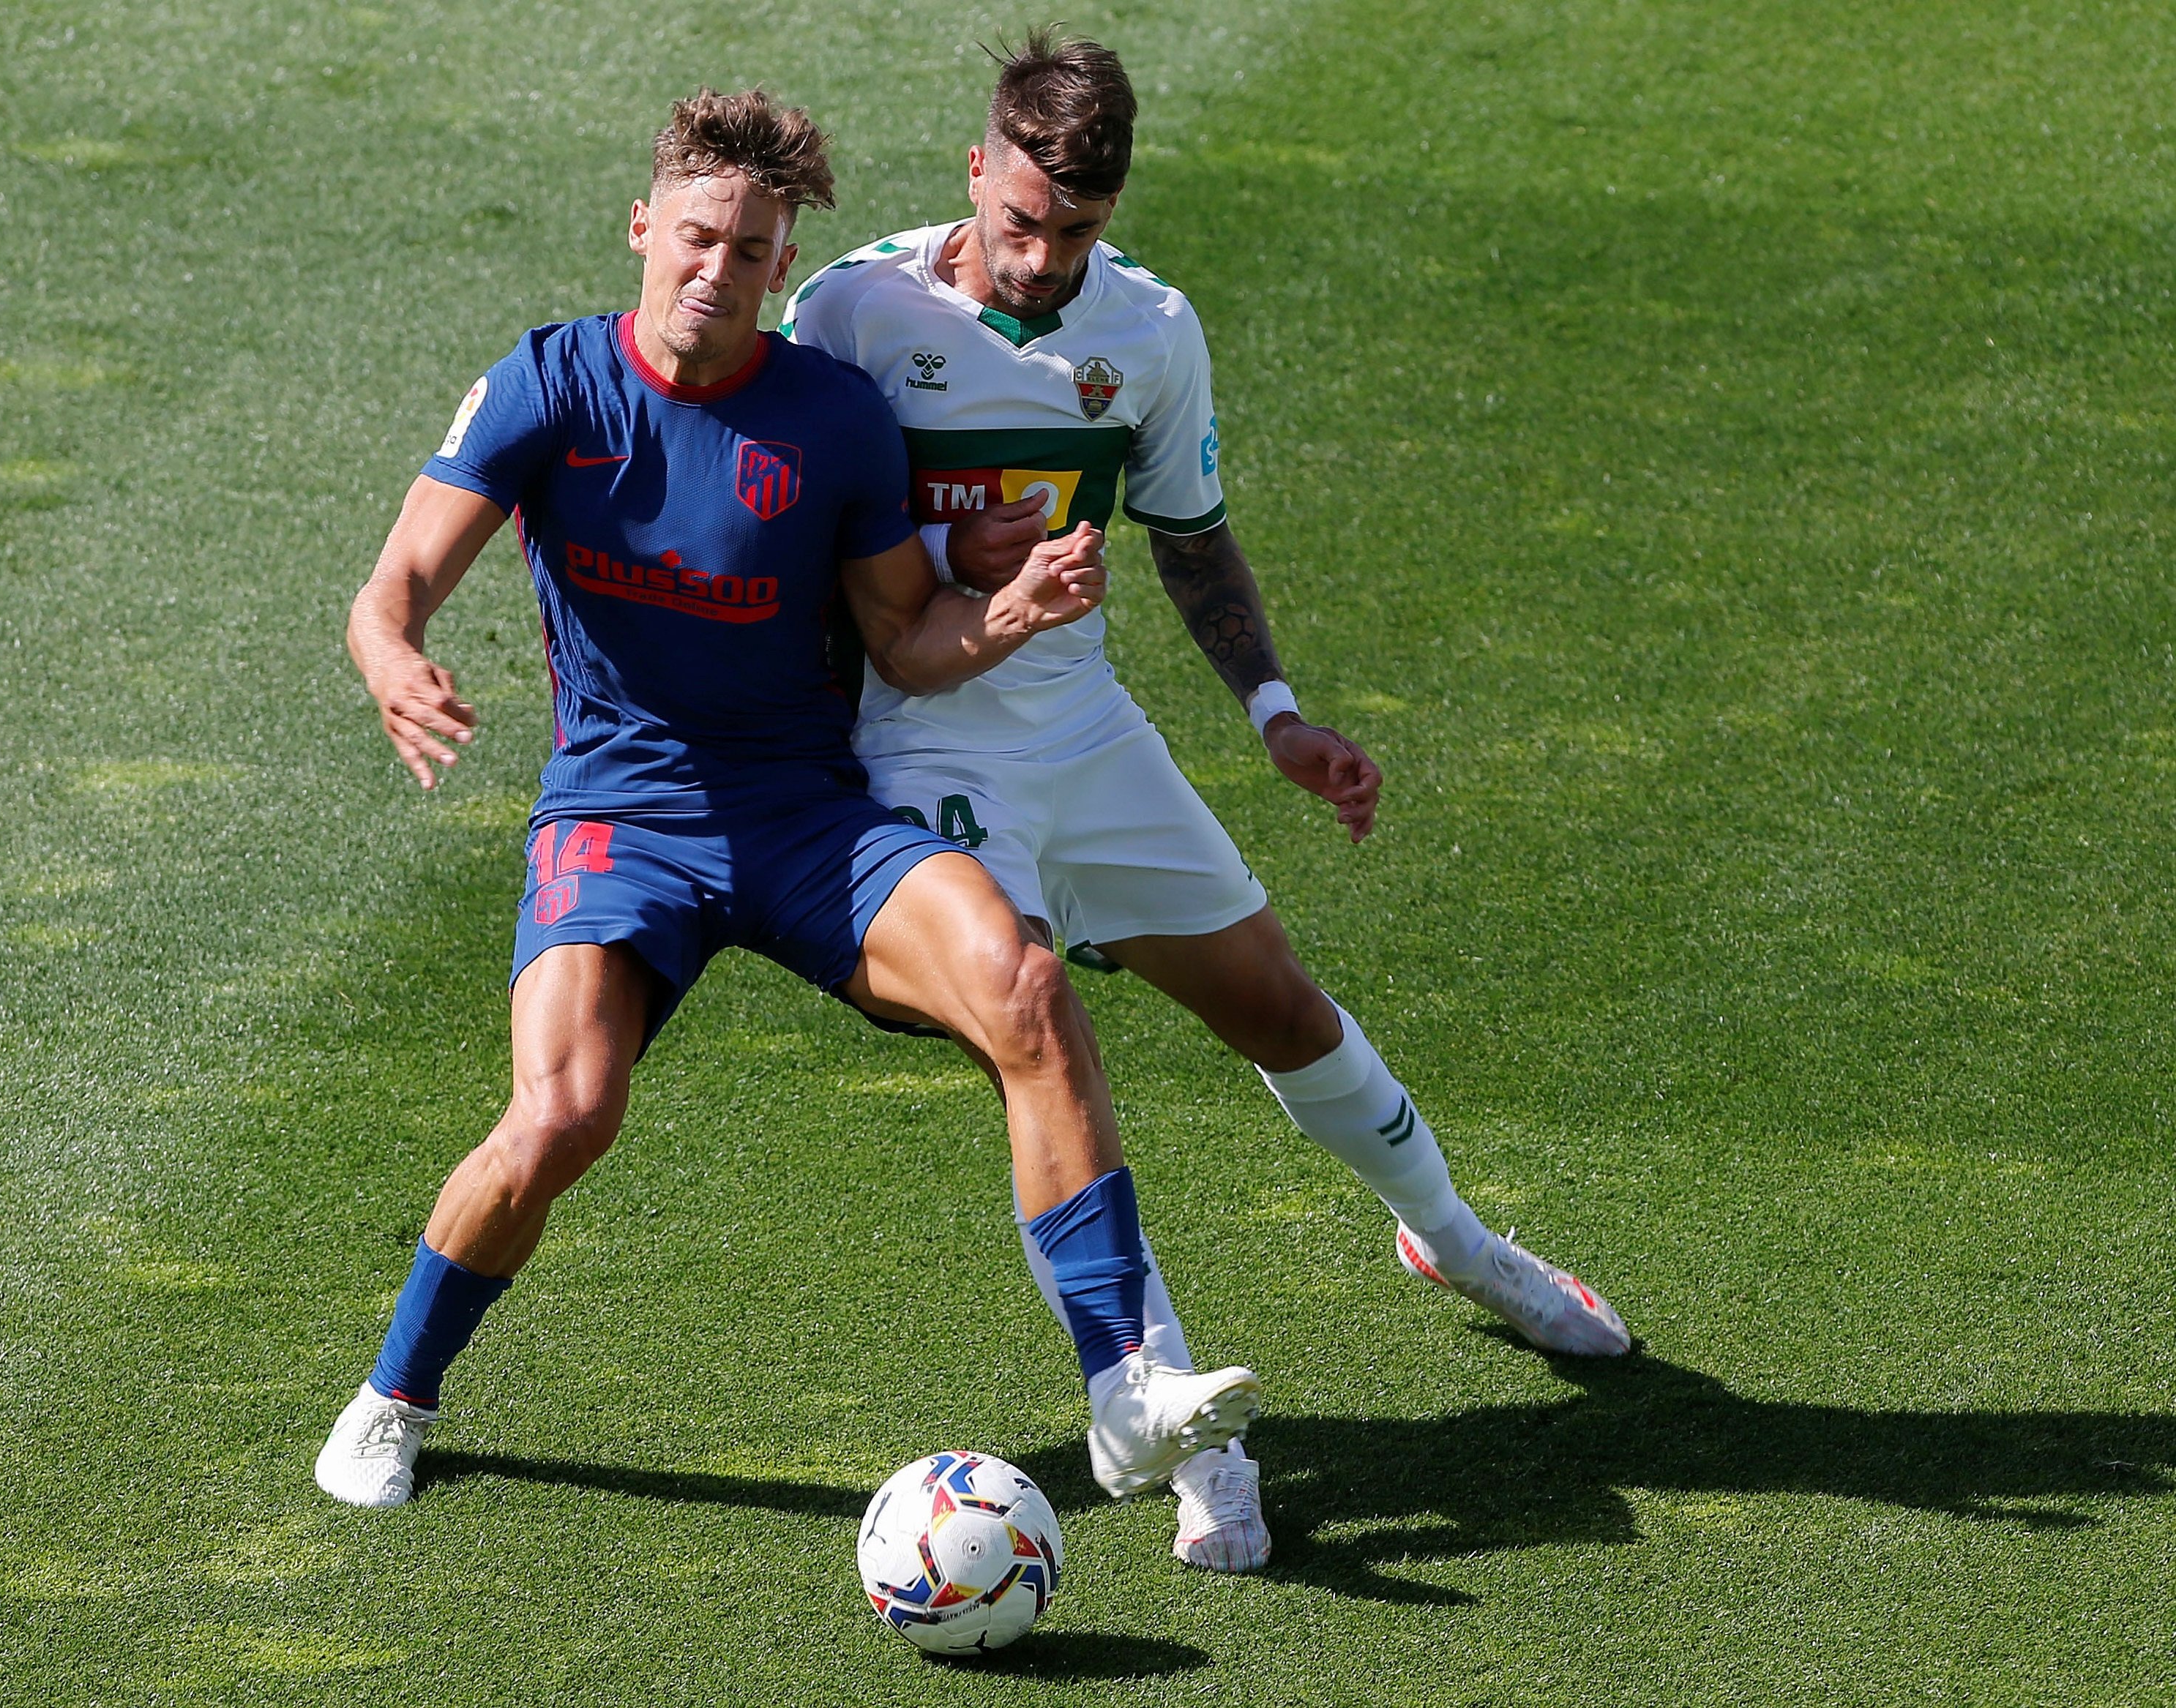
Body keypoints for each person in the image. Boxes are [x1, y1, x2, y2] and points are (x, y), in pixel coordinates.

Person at [315, 87, 1260, 1510]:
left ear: (780, 267)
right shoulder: (550, 385)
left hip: (807, 816)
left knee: (1027, 988)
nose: (719, 270)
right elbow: (393, 589)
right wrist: (395, 661)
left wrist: (1004, 610)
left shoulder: (832, 418)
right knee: (566, 1113)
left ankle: (1126, 1386)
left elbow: (905, 641)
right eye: (698, 237)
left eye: (752, 250)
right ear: (645, 229)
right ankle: (396, 1391)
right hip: (621, 817)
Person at [779, 33, 1629, 1573]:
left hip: (1088, 733)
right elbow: (776, 516)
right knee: (1042, 1036)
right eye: (1025, 220)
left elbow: (1191, 538)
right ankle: (1181, 1425)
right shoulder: (850, 310)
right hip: (923, 749)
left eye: (1077, 234)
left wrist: (1278, 716)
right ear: (977, 171)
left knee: (1284, 1007)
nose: (1043, 261)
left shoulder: (1151, 334)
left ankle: (1457, 1241)